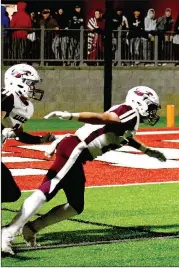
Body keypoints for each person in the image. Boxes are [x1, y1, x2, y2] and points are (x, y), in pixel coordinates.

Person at [1, 86, 167, 255]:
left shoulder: (131, 117)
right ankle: (7, 232)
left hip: (77, 152)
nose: (153, 113)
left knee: (75, 205)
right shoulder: (130, 112)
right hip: (76, 148)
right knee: (47, 190)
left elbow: (125, 137)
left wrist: (147, 150)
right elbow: (101, 118)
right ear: (140, 102)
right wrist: (72, 115)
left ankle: (31, 228)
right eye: (152, 107)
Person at [1, 64, 56, 204]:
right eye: (30, 83)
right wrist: (5, 132)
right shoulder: (6, 97)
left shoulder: (25, 107)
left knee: (11, 194)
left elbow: (19, 134)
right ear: (16, 81)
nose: (32, 87)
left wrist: (40, 140)